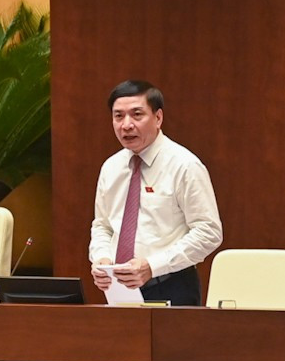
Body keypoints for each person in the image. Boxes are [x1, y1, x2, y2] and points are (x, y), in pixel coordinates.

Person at [89, 80, 222, 307]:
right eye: (118, 116)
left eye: (137, 115)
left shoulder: (184, 165)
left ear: (158, 118)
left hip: (171, 285)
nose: (126, 125)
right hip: (119, 290)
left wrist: (152, 266)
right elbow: (103, 225)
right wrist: (101, 258)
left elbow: (209, 232)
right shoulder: (111, 167)